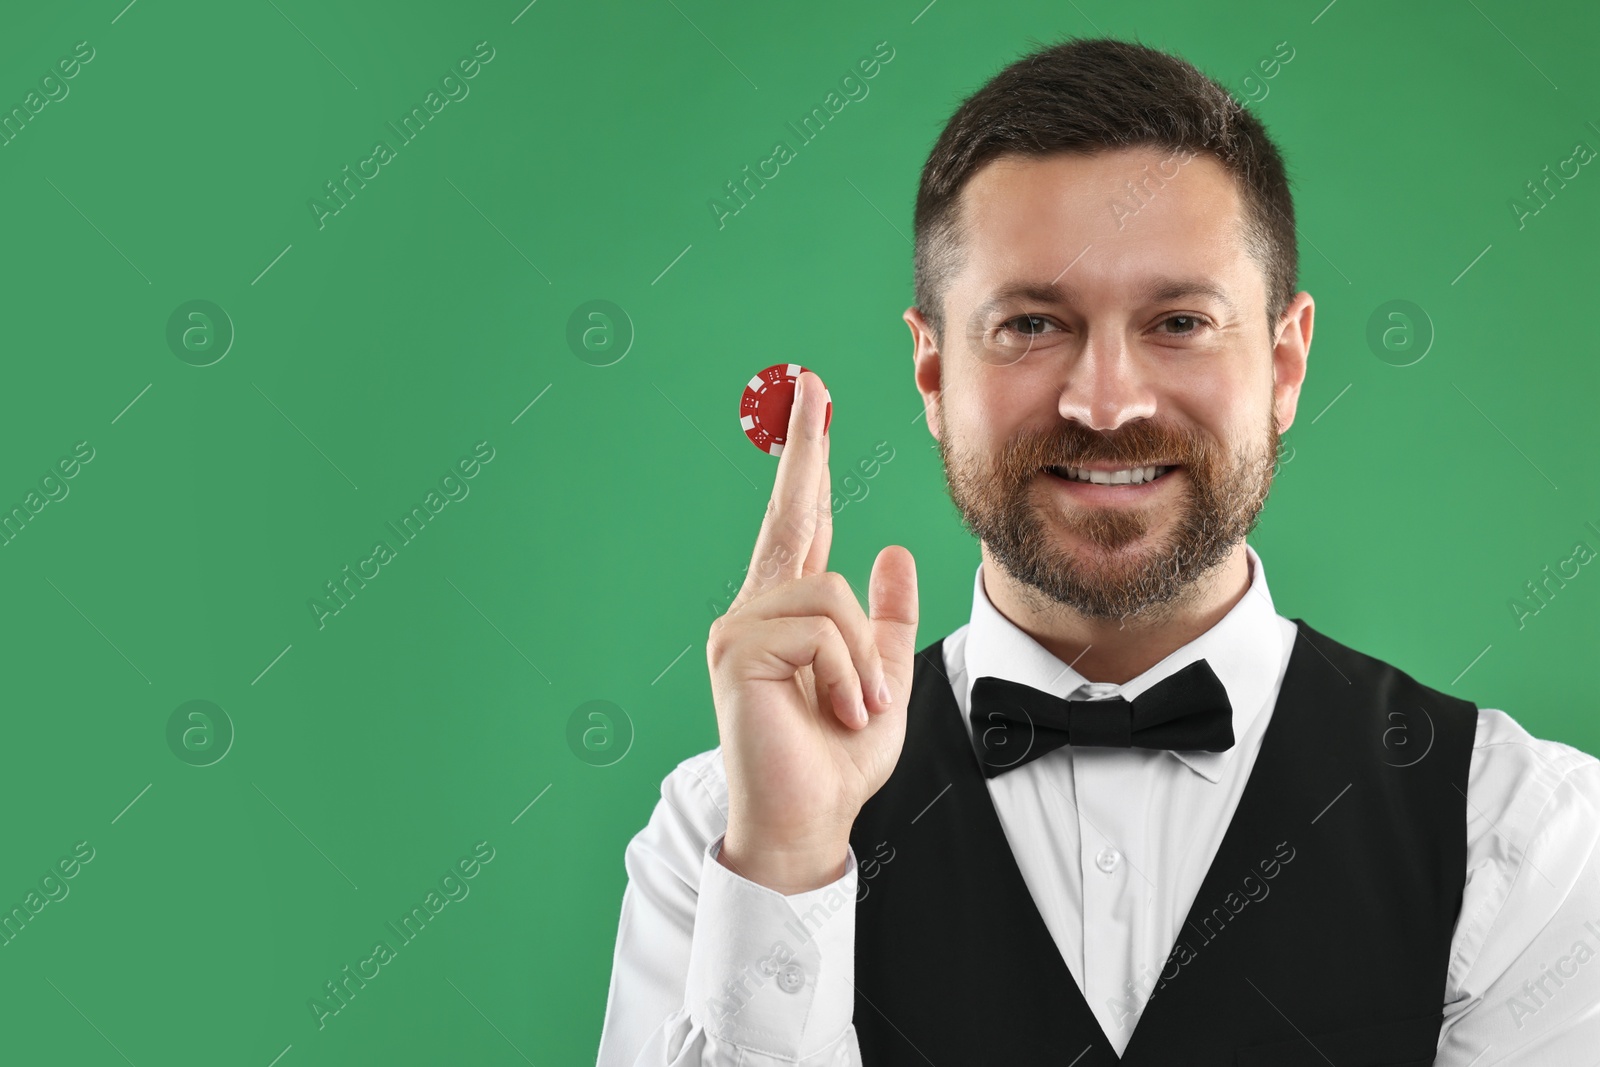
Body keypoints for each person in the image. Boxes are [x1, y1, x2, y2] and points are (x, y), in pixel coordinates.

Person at [595, 36, 1600, 1066]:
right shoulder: (721, 835)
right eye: (1032, 322)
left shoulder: (1523, 831)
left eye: (1178, 320)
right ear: (933, 373)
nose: (1105, 403)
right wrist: (789, 872)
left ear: (1285, 363)